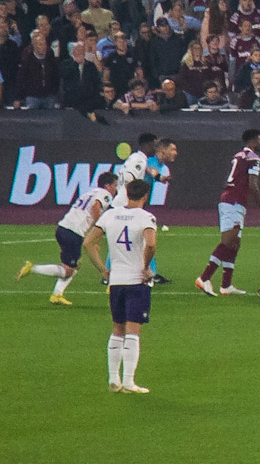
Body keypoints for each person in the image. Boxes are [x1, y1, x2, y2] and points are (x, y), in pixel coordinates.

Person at [84, 178, 160, 393]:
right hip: (136, 281)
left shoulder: (110, 215)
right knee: (133, 332)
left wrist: (103, 270)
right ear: (145, 196)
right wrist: (146, 266)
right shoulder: (146, 217)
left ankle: (113, 378)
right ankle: (128, 381)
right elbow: (151, 244)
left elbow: (88, 242)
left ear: (127, 193)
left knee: (117, 329)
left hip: (116, 281)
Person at [19, 169, 116, 304]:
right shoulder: (105, 194)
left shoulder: (90, 192)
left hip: (63, 228)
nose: (116, 189)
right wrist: (98, 226)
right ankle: (33, 268)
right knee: (68, 270)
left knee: (76, 263)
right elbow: (96, 206)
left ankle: (57, 295)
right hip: (73, 232)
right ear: (107, 186)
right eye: (115, 185)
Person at [196, 127, 260, 295]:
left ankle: (226, 285)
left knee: (235, 242)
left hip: (230, 199)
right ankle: (204, 278)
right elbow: (253, 185)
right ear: (253, 141)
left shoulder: (238, 156)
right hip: (234, 201)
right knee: (228, 241)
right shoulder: (254, 158)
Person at [116, 133, 176, 284]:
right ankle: (148, 272)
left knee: (130, 238)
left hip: (134, 203)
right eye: (172, 149)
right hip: (129, 204)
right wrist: (158, 178)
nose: (156, 147)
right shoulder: (143, 159)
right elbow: (146, 170)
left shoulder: (142, 159)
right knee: (139, 238)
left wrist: (159, 178)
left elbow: (148, 170)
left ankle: (147, 272)